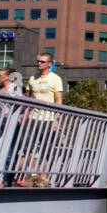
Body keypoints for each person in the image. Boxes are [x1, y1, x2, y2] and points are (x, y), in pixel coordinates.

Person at [26, 53, 64, 183]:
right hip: (33, 118)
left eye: (42, 62)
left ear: (49, 64)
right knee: (28, 148)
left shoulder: (55, 79)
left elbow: (58, 100)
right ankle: (32, 175)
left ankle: (44, 178)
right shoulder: (32, 78)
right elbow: (28, 97)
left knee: (46, 150)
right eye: (38, 61)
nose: (39, 64)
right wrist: (23, 114)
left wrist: (57, 119)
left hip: (48, 119)